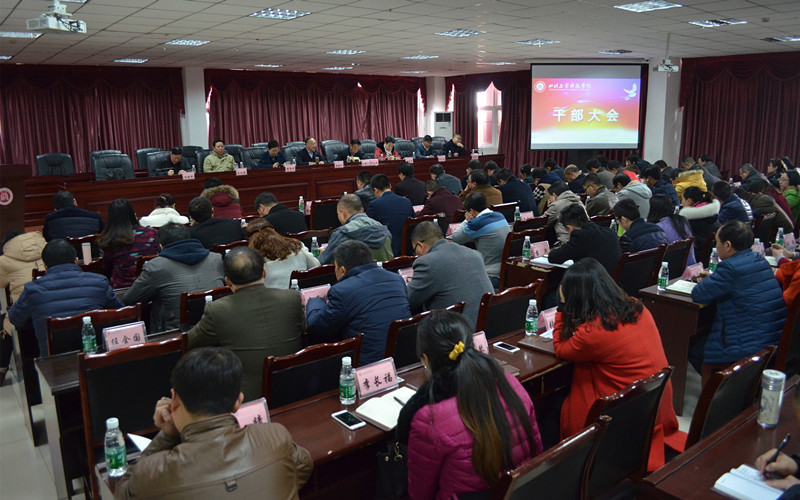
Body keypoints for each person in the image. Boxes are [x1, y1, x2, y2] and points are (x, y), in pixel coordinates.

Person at [112, 347, 313, 500]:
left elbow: (122, 493)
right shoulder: (274, 436)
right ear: (238, 402)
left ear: (174, 400)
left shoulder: (153, 472)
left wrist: (167, 434)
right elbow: (305, 463)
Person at [552, 258, 683, 471]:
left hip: (629, 414)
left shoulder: (593, 333)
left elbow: (561, 348)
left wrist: (561, 309)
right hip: (656, 401)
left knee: (554, 407)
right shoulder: (636, 307)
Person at [397, 311, 543, 499]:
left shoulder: (429, 419)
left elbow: (419, 494)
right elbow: (537, 450)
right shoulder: (511, 384)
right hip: (520, 492)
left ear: (425, 359)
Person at [188, 247, 305, 401]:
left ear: (228, 282)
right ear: (264, 272)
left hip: (247, 399)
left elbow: (189, 343)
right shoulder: (292, 298)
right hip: (297, 388)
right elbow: (304, 332)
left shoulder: (217, 310)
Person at [690, 221, 786, 377]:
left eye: (717, 242)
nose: (716, 246)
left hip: (745, 345)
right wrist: (715, 279)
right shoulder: (759, 259)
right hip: (771, 339)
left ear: (728, 245)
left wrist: (711, 280)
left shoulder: (729, 268)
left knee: (694, 349)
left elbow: (698, 294)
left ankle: (717, 389)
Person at [7, 239, 123, 355]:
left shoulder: (33, 290)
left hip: (53, 361)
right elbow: (121, 313)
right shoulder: (99, 282)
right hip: (95, 356)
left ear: (45, 266)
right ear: (76, 260)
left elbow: (15, 319)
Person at [306, 240, 410, 365]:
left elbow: (317, 325)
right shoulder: (396, 279)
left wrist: (316, 300)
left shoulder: (342, 290)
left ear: (342, 270)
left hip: (367, 365)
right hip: (404, 358)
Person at [123, 223, 225, 331]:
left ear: (161, 246)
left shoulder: (155, 266)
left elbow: (129, 300)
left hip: (175, 333)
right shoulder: (216, 258)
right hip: (218, 326)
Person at [407, 222, 493, 328]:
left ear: (420, 246)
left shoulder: (427, 263)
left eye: (415, 250)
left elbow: (409, 300)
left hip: (459, 332)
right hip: (489, 326)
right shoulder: (474, 253)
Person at [0, 230, 46, 384]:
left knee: (5, 321)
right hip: (54, 305)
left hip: (27, 314)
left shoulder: (4, 261)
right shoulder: (49, 249)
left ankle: (1, 369)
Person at [451, 193, 510, 288]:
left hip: (490, 276)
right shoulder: (500, 216)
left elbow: (456, 238)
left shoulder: (477, 223)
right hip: (506, 273)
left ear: (471, 211)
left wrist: (466, 220)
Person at [97, 199, 159, 288]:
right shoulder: (152, 233)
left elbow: (107, 269)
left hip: (122, 288)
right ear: (133, 214)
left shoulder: (107, 240)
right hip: (152, 285)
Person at [318, 194, 393, 265]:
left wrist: (324, 254)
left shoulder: (341, 233)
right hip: (385, 272)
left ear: (342, 212)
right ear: (362, 210)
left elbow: (321, 262)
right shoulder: (383, 228)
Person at [548, 204, 621, 275]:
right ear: (588, 219)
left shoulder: (580, 237)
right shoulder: (610, 232)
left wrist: (550, 252)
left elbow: (554, 258)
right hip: (613, 280)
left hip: (593, 281)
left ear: (569, 228)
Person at [248, 225, 319, 289]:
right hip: (301, 293)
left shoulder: (257, 260)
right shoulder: (297, 246)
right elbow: (316, 266)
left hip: (273, 297)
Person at [366, 174, 415, 256]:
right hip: (409, 249)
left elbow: (367, 226)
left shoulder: (374, 204)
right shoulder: (406, 201)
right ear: (390, 185)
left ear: (375, 190)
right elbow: (413, 222)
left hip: (389, 251)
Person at [647, 194, 697, 267]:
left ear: (652, 209)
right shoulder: (682, 220)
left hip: (671, 269)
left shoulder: (658, 228)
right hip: (691, 266)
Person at [544, 182, 585, 247]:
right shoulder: (579, 201)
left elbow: (543, 222)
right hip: (583, 241)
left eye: (550, 197)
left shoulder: (556, 205)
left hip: (565, 243)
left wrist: (551, 206)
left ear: (554, 195)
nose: (550, 200)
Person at [679, 186, 720, 251]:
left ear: (689, 201)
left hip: (697, 252)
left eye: (682, 199)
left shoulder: (691, 220)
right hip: (714, 251)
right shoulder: (713, 213)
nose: (681, 203)